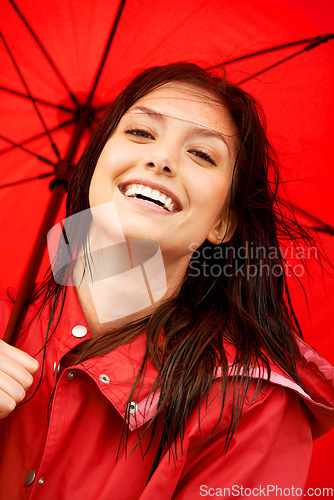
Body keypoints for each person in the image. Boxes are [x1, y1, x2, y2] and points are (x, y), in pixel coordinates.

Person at [0, 62, 333, 500]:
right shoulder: (9, 319)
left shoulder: (250, 407)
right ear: (96, 165)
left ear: (223, 222)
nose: (161, 159)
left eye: (202, 154)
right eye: (140, 132)